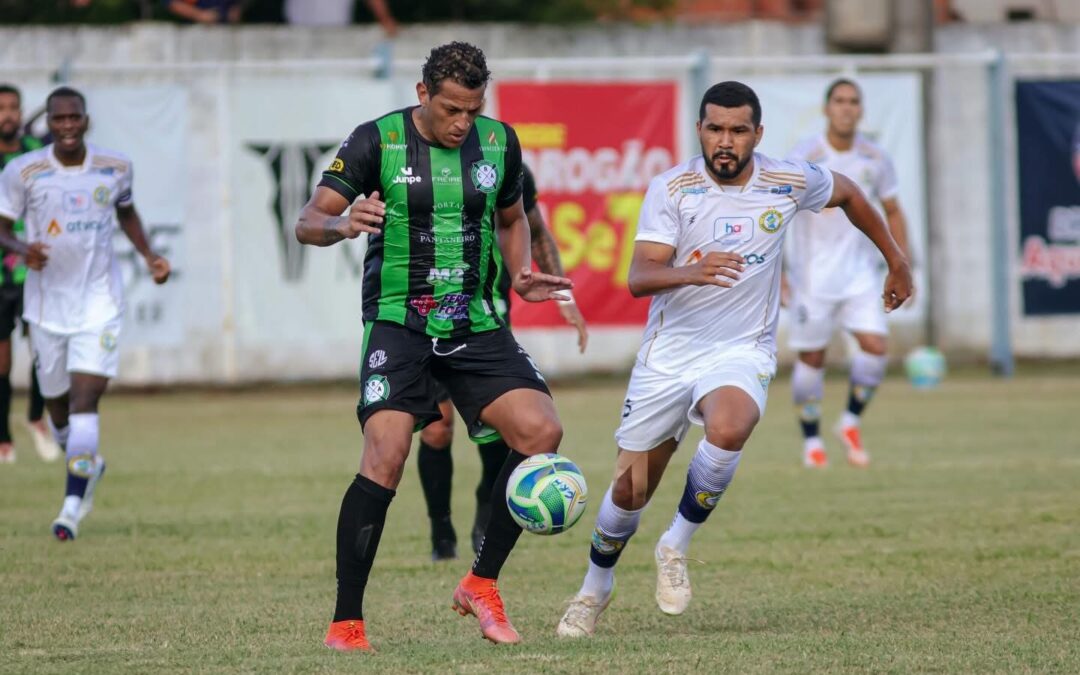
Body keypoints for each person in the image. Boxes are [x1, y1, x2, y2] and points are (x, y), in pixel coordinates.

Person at [556, 81, 912, 638]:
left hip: (740, 350)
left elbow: (850, 195)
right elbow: (639, 276)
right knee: (630, 490)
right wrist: (691, 271)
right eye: (716, 129)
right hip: (668, 356)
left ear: (757, 134)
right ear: (699, 130)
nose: (726, 141)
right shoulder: (672, 189)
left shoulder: (787, 180)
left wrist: (896, 259)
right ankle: (594, 588)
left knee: (731, 424)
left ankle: (674, 544)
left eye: (738, 131)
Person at [294, 42, 573, 652]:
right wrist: (341, 224)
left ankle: (480, 583)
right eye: (451, 109)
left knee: (541, 433)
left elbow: (512, 217)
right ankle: (346, 623)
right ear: (423, 94)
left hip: (475, 322)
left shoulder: (499, 143)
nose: (462, 123)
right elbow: (308, 221)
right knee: (386, 454)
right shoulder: (377, 141)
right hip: (399, 324)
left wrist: (520, 273)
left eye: (473, 110)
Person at [0, 87, 171, 540]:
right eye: (59, 119)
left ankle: (72, 506)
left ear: (86, 120)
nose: (67, 126)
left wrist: (150, 255)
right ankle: (87, 463)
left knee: (84, 402)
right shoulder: (24, 171)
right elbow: (2, 227)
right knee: (57, 409)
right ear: (49, 124)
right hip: (46, 307)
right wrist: (21, 247)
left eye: (74, 117)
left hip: (100, 304)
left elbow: (127, 214)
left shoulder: (115, 167)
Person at [418, 163, 588, 561]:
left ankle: (485, 508)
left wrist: (565, 299)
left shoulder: (506, 168)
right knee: (437, 429)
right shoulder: (420, 167)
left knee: (500, 430)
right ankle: (441, 531)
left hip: (485, 319)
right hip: (427, 318)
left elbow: (537, 232)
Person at [783, 78, 911, 469]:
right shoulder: (805, 157)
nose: (846, 108)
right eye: (839, 100)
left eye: (853, 101)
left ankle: (850, 422)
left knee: (876, 347)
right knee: (812, 358)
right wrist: (779, 273)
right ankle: (811, 441)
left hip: (860, 274)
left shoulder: (875, 158)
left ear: (861, 110)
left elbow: (892, 210)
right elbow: (778, 213)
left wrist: (901, 264)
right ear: (826, 109)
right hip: (812, 278)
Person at [0, 84, 61, 464]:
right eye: (1, 108)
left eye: (13, 107)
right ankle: (3, 436)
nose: (8, 114)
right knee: (2, 360)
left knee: (43, 349)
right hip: (0, 275)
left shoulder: (35, 154)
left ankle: (37, 417)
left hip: (33, 269)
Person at [164, 0, 241, 24]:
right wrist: (200, 15)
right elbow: (172, 4)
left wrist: (234, 11)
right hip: (193, 30)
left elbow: (235, 8)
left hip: (224, 30)